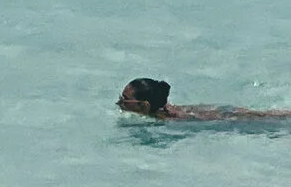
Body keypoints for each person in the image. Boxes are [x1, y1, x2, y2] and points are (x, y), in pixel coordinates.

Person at [118, 76, 291, 123]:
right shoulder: (164, 113)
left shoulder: (173, 121)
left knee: (267, 117)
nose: (119, 103)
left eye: (125, 100)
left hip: (221, 118)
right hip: (218, 113)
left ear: (144, 106)